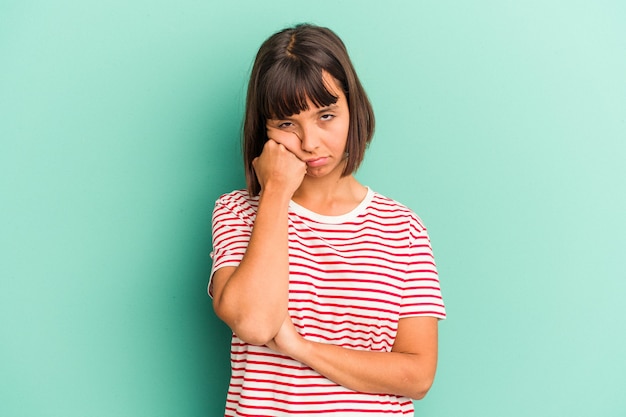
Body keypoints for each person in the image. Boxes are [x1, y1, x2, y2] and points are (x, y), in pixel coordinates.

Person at [209, 23, 446, 416]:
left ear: (354, 110)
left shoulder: (403, 228)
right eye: (287, 124)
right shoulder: (237, 211)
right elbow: (252, 323)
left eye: (326, 116)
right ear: (264, 129)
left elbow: (417, 375)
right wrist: (276, 193)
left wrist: (298, 346)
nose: (310, 143)